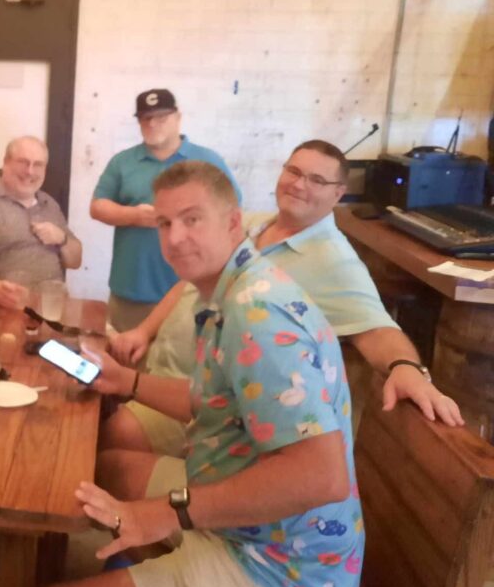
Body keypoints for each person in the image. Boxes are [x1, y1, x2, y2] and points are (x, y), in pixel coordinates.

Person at [52, 161, 363, 587]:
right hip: (235, 507)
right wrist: (127, 381)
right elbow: (213, 399)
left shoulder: (257, 314)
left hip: (278, 561)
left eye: (192, 219)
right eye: (164, 223)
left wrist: (168, 511)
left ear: (233, 222)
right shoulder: (228, 290)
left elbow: (322, 476)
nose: (175, 238)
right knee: (109, 468)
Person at [103, 140, 464, 464]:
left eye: (316, 180)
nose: (298, 184)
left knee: (108, 438)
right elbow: (188, 282)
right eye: (293, 171)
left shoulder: (333, 261)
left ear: (339, 194)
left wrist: (406, 368)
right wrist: (144, 331)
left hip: (210, 403)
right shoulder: (252, 225)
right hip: (165, 371)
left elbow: (378, 328)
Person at [91, 88, 239, 332]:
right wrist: (134, 216)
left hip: (191, 293)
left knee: (179, 368)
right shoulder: (123, 162)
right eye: (146, 119)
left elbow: (233, 213)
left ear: (178, 118)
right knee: (121, 363)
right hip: (131, 293)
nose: (153, 124)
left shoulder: (207, 161)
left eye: (162, 117)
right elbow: (97, 207)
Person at [0, 136, 82, 309]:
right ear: (5, 163)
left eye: (38, 164)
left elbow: (76, 261)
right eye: (23, 162)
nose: (30, 171)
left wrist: (62, 239)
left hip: (53, 306)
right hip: (8, 306)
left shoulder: (49, 204)